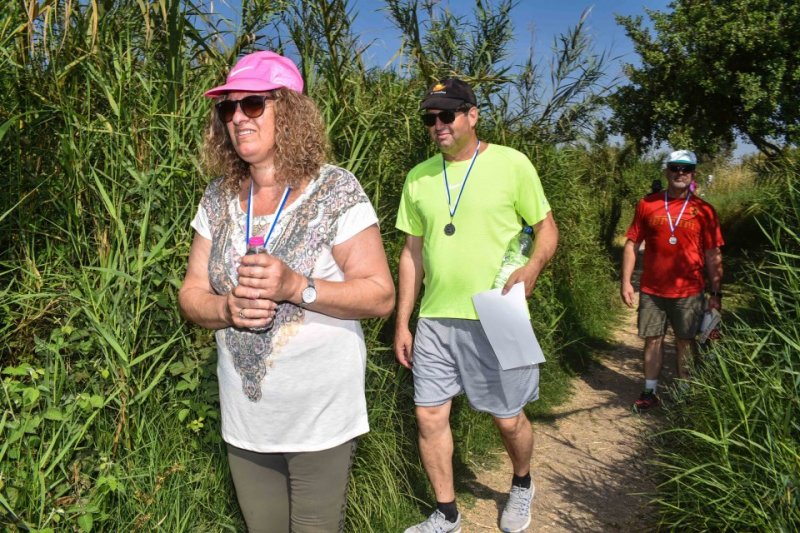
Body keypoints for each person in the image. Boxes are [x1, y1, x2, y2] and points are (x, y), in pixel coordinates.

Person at [178, 50, 395, 533]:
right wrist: (226, 308)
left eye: (253, 104)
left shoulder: (335, 190)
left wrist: (297, 287)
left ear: (290, 112)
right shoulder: (216, 197)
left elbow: (381, 295)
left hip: (319, 416)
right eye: (228, 108)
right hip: (247, 419)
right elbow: (191, 293)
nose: (238, 117)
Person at [394, 78, 559, 533]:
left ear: (472, 115)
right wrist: (403, 321)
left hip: (499, 313)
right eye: (430, 118)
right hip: (435, 318)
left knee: (508, 420)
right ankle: (446, 513)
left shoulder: (511, 163)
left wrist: (533, 268)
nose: (438, 124)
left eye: (447, 115)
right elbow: (411, 254)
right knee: (429, 415)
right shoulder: (419, 177)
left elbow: (547, 229)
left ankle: (521, 483)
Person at [620, 149, 723, 411]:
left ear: (693, 174)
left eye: (685, 169)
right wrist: (626, 282)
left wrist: (716, 293)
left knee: (685, 341)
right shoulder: (648, 204)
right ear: (667, 171)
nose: (680, 173)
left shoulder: (705, 210)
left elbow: (713, 254)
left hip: (689, 290)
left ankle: (684, 394)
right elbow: (632, 244)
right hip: (652, 289)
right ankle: (649, 392)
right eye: (675, 168)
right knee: (652, 339)